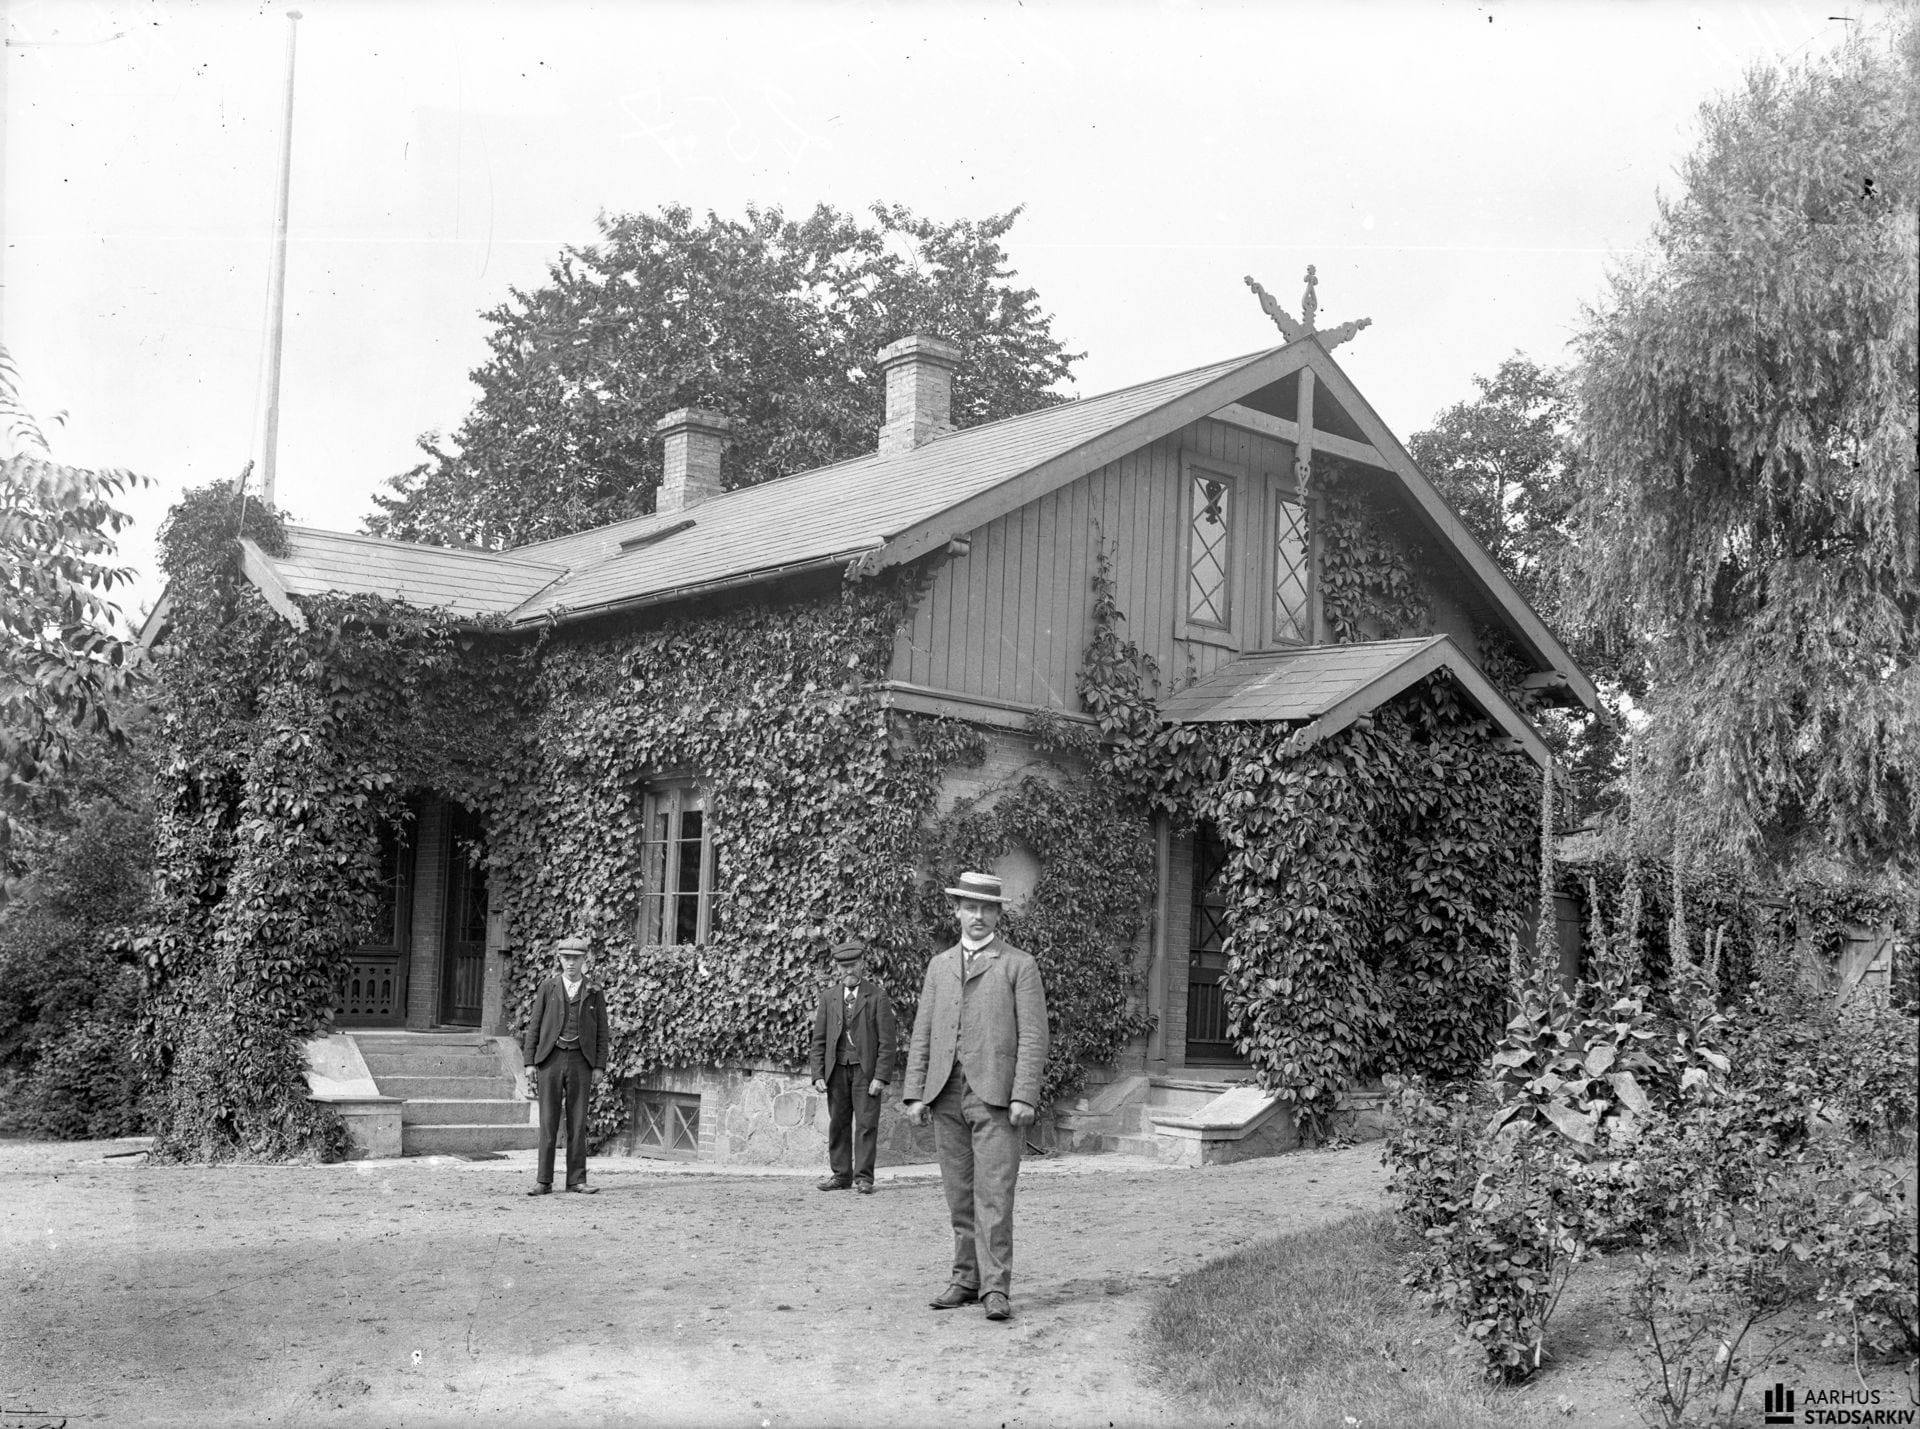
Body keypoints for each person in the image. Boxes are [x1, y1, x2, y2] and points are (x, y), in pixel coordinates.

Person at [901, 870, 1049, 1323]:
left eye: (986, 908)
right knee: (959, 1194)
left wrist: (1024, 1094)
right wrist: (915, 1092)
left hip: (996, 1097)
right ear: (957, 911)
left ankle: (995, 1287)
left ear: (998, 914)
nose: (978, 916)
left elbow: (1034, 1036)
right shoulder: (939, 965)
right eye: (970, 907)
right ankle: (965, 1279)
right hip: (946, 1093)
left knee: (995, 1196)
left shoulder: (1019, 965)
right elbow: (923, 1031)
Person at [521, 935, 610, 1196]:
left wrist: (599, 1066)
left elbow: (602, 1031)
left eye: (576, 958)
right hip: (551, 1059)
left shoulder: (594, 991)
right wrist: (529, 1061)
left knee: (578, 1122)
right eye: (566, 958)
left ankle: (576, 1181)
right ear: (560, 959)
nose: (571, 963)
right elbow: (535, 1025)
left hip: (581, 1061)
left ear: (584, 960)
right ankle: (543, 1181)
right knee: (548, 1122)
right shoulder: (548, 987)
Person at [808, 939, 898, 1195]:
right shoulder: (829, 997)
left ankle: (864, 1178)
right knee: (838, 1123)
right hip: (836, 1071)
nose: (848, 971)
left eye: (853, 965)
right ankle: (841, 1175)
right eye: (843, 966)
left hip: (865, 1072)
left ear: (862, 965)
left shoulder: (877, 996)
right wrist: (818, 1074)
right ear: (837, 968)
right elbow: (819, 1040)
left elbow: (887, 1042)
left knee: (866, 1124)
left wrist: (880, 1076)